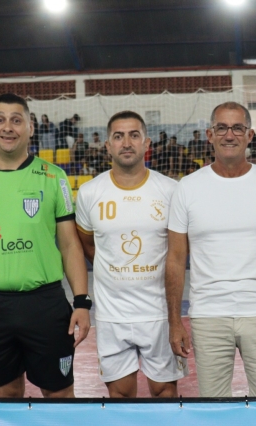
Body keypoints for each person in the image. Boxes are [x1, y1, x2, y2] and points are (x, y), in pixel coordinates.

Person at [0, 93, 91, 399]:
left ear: (30, 127)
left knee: (60, 396)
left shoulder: (54, 176)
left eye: (16, 120)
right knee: (5, 396)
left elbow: (69, 244)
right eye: (0, 119)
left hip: (45, 305)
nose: (7, 127)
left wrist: (81, 302)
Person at [166, 101, 256, 397]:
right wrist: (175, 321)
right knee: (214, 411)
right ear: (209, 135)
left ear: (250, 135)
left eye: (238, 128)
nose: (230, 135)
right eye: (222, 128)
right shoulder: (187, 188)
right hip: (207, 316)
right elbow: (176, 259)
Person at [76, 111, 185, 398]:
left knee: (165, 395)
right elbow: (88, 245)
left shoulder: (171, 190)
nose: (127, 142)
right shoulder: (89, 193)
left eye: (134, 135)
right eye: (118, 136)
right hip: (113, 315)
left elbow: (178, 252)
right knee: (121, 397)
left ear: (146, 143)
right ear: (108, 145)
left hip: (159, 313)